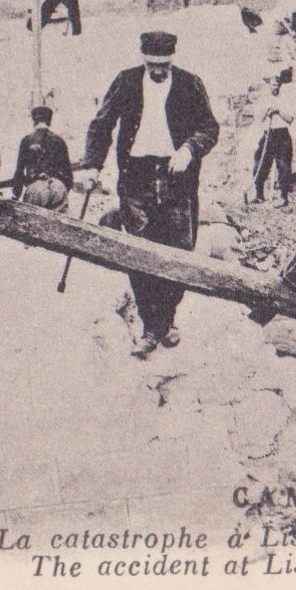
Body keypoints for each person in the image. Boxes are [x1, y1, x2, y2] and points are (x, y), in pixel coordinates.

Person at [77, 30, 220, 359]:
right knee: (139, 252)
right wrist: (92, 164)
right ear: (143, 59)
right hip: (136, 177)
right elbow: (102, 124)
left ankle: (165, 320)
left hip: (177, 178)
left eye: (165, 65)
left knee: (179, 251)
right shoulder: (126, 82)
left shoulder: (190, 84)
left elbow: (210, 127)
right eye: (153, 64)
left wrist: (189, 148)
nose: (159, 71)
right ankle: (150, 326)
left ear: (173, 59)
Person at [13, 105, 73, 211]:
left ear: (34, 121)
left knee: (31, 223)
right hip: (57, 187)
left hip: (35, 187)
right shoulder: (60, 141)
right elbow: (69, 174)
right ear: (49, 121)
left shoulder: (26, 141)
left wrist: (15, 194)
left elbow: (19, 171)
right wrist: (63, 188)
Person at [251, 81, 296, 206]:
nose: (276, 87)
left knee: (284, 165)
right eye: (273, 84)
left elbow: (290, 118)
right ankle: (259, 194)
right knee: (260, 162)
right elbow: (259, 119)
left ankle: (283, 197)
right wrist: (267, 110)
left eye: (277, 84)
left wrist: (278, 111)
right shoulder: (264, 101)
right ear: (268, 85)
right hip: (268, 135)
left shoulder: (284, 100)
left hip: (282, 135)